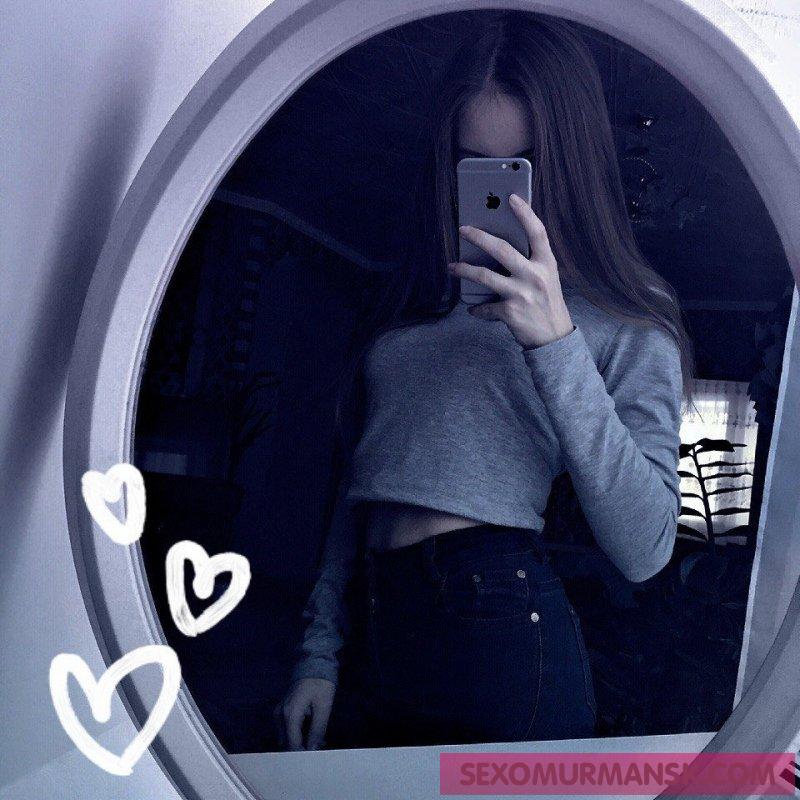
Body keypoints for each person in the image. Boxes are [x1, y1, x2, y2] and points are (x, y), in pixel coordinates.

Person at [274, 10, 695, 751]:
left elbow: (648, 547)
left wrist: (555, 342)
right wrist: (319, 651)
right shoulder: (421, 290)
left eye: (525, 166)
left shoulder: (624, 317)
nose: (502, 197)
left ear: (570, 165)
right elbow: (364, 484)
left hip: (496, 627)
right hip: (375, 621)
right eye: (474, 167)